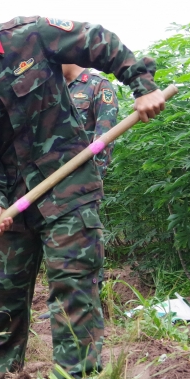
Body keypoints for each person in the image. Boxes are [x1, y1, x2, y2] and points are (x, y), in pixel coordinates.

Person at [0, 0, 165, 379]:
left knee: (72, 284)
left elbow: (99, 41)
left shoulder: (30, 36)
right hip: (12, 203)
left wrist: (142, 85)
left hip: (68, 186)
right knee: (3, 290)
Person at [37, 64, 119, 320]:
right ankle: (60, 306)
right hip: (51, 182)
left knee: (85, 244)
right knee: (57, 245)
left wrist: (92, 180)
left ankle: (92, 305)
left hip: (83, 183)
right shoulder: (52, 89)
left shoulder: (98, 86)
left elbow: (104, 139)